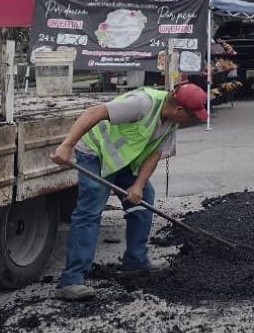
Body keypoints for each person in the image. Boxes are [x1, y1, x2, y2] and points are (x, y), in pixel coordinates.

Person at [49, 82, 208, 301]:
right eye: (192, 115)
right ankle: (71, 280)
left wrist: (138, 185)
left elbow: (154, 154)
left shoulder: (172, 122)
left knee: (145, 198)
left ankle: (135, 261)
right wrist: (67, 146)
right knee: (90, 211)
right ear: (179, 109)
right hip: (95, 153)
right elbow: (94, 112)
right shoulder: (142, 104)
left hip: (121, 159)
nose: (193, 120)